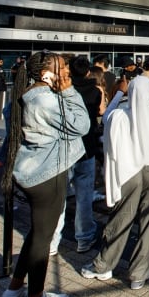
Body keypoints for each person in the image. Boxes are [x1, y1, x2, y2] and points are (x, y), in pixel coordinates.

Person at [0, 51, 90, 297]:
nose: (67, 71)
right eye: (62, 67)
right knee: (43, 240)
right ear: (45, 74)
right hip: (47, 175)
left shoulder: (26, 95)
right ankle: (36, 295)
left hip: (33, 171)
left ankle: (15, 287)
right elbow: (82, 125)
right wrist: (69, 91)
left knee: (37, 233)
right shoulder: (46, 100)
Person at [81, 74, 149, 290]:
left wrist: (119, 94)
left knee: (121, 218)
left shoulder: (118, 116)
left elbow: (104, 118)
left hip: (129, 173)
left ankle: (104, 265)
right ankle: (139, 274)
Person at [50, 55, 103, 256]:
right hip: (86, 148)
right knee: (84, 197)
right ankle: (84, 238)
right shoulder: (94, 90)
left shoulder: (58, 91)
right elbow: (100, 112)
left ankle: (53, 241)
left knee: (58, 198)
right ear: (88, 71)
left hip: (63, 150)